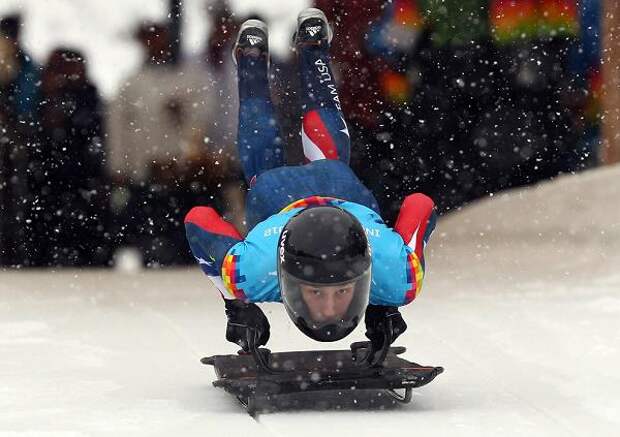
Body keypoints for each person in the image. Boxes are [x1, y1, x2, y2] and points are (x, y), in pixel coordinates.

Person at [184, 8, 437, 351]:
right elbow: (421, 205)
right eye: (318, 292)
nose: (330, 311)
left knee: (299, 157)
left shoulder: (255, 272)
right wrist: (383, 304)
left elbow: (197, 220)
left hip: (305, 194)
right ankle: (267, 56)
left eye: (340, 291)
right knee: (285, 161)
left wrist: (238, 304)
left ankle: (290, 53)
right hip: (309, 192)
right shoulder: (396, 275)